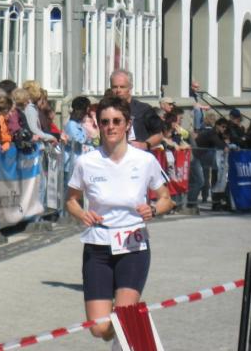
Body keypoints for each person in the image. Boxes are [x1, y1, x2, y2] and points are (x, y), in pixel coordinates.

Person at [65, 95, 173, 344]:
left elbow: (166, 198)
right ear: (99, 125)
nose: (111, 127)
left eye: (117, 121)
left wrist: (154, 209)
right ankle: (128, 324)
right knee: (100, 328)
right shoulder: (86, 162)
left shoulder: (144, 160)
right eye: (105, 122)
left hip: (133, 244)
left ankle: (130, 323)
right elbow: (71, 200)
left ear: (127, 124)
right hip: (98, 245)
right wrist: (82, 213)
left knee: (123, 318)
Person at [109, 69, 163, 152]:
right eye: (115, 87)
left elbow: (159, 134)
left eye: (122, 87)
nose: (118, 90)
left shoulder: (143, 109)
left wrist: (145, 145)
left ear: (130, 87)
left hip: (138, 156)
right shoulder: (106, 110)